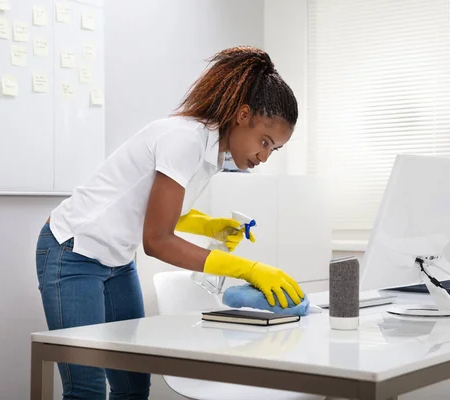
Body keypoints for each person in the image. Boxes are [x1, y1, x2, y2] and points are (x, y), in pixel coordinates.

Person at [34, 46, 305, 400]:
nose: (265, 156)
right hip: (72, 250)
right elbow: (157, 240)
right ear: (242, 115)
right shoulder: (186, 139)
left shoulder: (212, 152)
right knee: (86, 388)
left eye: (275, 149)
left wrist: (212, 227)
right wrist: (248, 269)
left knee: (132, 385)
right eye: (265, 142)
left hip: (117, 260)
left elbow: (160, 207)